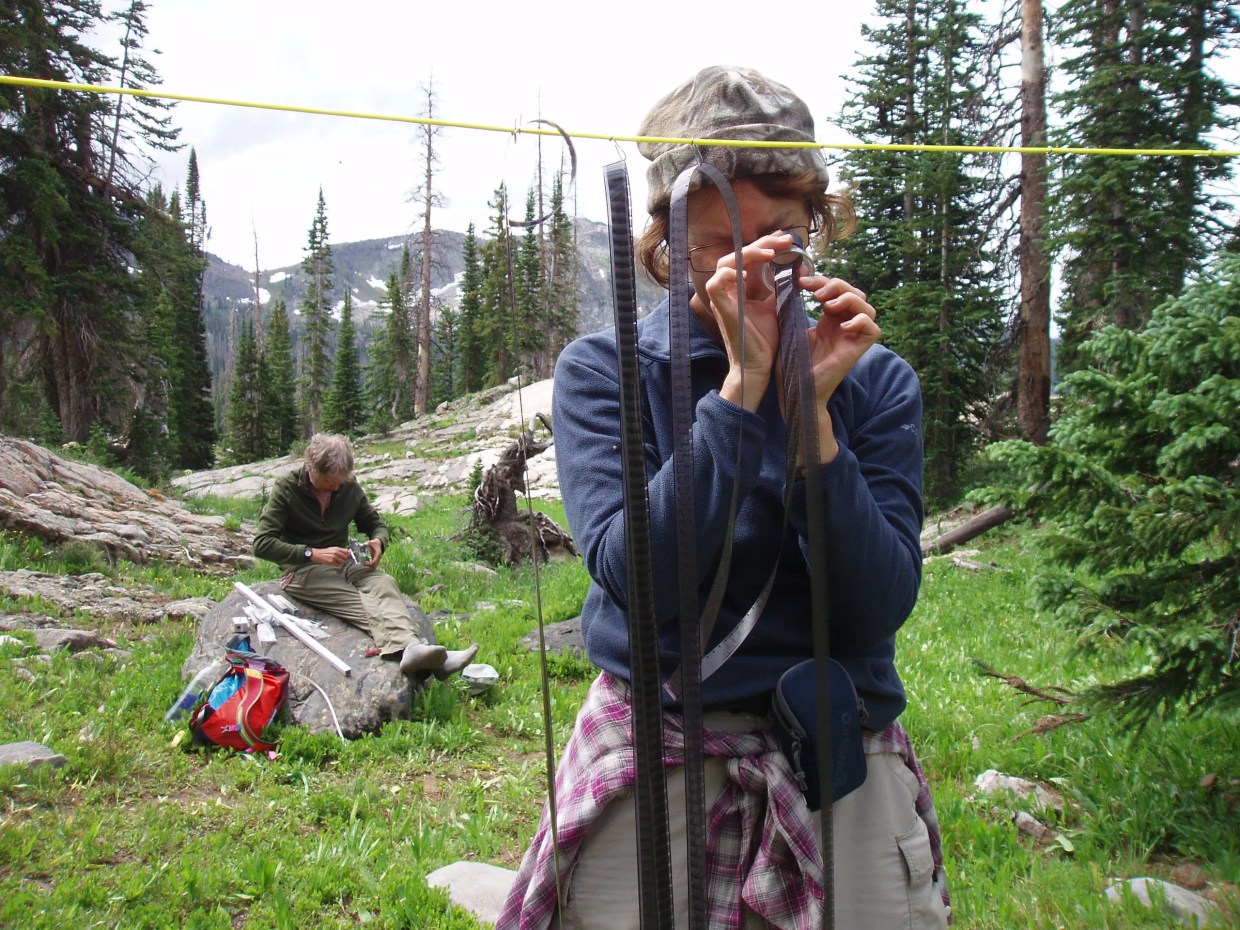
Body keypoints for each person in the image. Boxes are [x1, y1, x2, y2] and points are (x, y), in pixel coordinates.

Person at [499, 66, 950, 929]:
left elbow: (875, 607)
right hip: (656, 735)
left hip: (837, 741)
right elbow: (643, 581)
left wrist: (811, 414)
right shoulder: (607, 371)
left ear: (814, 225)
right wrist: (742, 390)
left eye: (779, 231)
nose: (749, 261)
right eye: (715, 241)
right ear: (667, 240)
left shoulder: (875, 380)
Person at [253, 433, 477, 680]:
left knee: (383, 583)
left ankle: (417, 652)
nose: (336, 487)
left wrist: (379, 541)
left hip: (345, 563)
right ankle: (430, 659)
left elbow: (374, 523)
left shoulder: (347, 486)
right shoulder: (287, 489)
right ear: (311, 468)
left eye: (341, 481)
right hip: (302, 570)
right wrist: (311, 553)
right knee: (359, 599)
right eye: (329, 482)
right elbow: (262, 544)